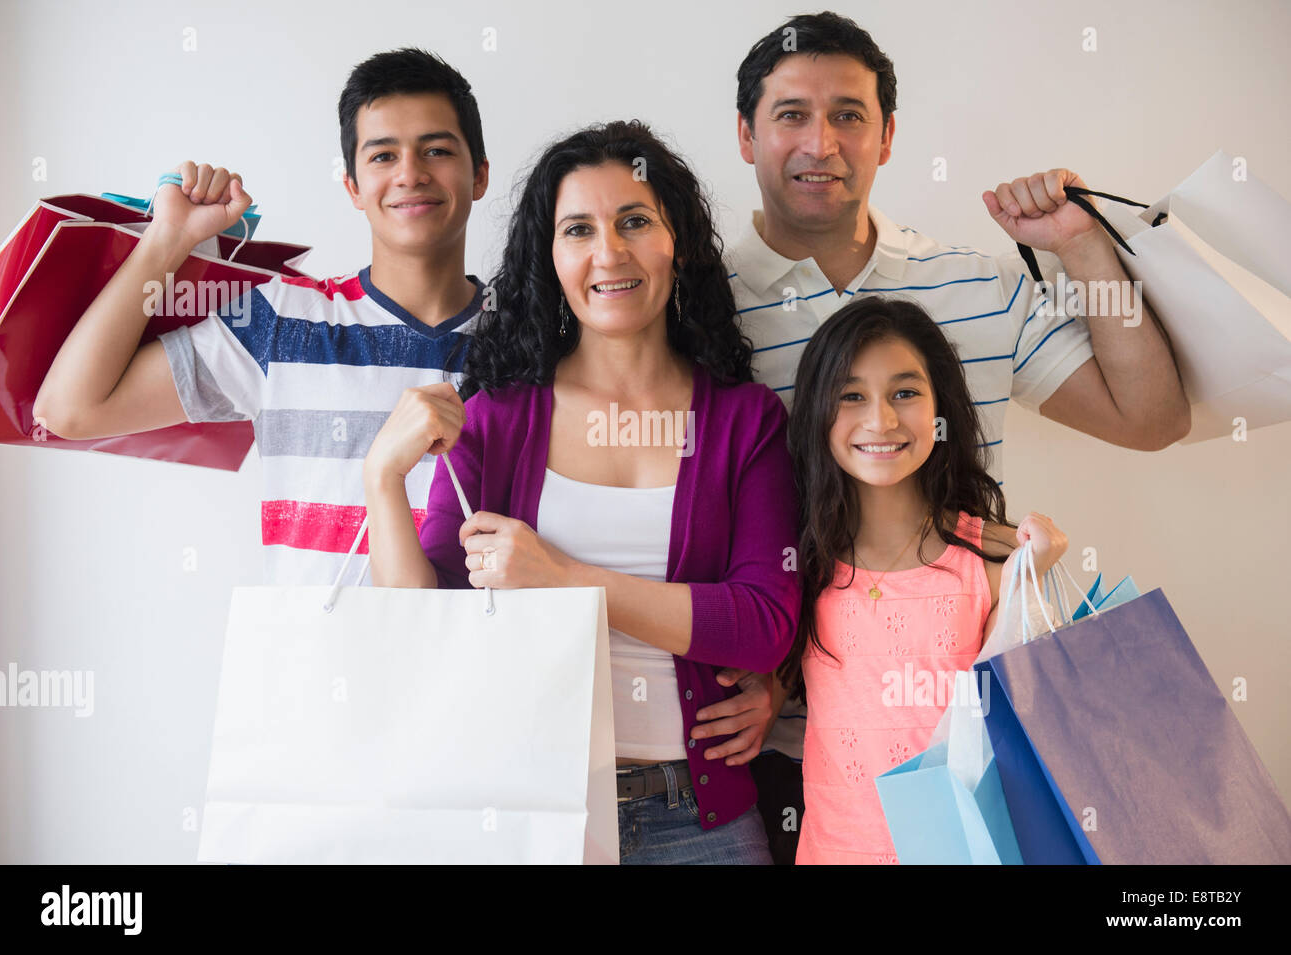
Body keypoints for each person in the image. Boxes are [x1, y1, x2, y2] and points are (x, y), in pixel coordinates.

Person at [728, 11, 1190, 863]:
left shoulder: (975, 284)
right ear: (747, 134)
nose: (820, 142)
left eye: (850, 114)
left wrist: (1081, 246)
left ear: (890, 136)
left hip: (982, 752)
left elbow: (1153, 417)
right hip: (786, 760)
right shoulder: (699, 309)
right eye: (791, 113)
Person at [360, 120, 801, 864]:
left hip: (701, 820)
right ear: (550, 257)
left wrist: (565, 579)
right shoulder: (495, 418)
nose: (609, 253)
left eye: (635, 221)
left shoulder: (744, 420)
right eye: (578, 229)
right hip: (529, 810)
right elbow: (421, 625)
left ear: (679, 243)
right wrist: (380, 478)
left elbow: (763, 622)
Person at [32, 48, 490, 585]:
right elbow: (69, 410)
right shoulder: (281, 321)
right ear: (352, 188)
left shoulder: (531, 341)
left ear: (479, 175)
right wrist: (168, 240)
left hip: (470, 663)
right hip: (305, 664)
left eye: (436, 150)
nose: (410, 174)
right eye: (383, 156)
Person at [781, 294, 1067, 863]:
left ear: (941, 409)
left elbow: (1040, 727)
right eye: (851, 395)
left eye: (905, 393)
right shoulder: (799, 561)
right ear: (817, 411)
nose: (881, 420)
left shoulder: (991, 561)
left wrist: (1029, 587)